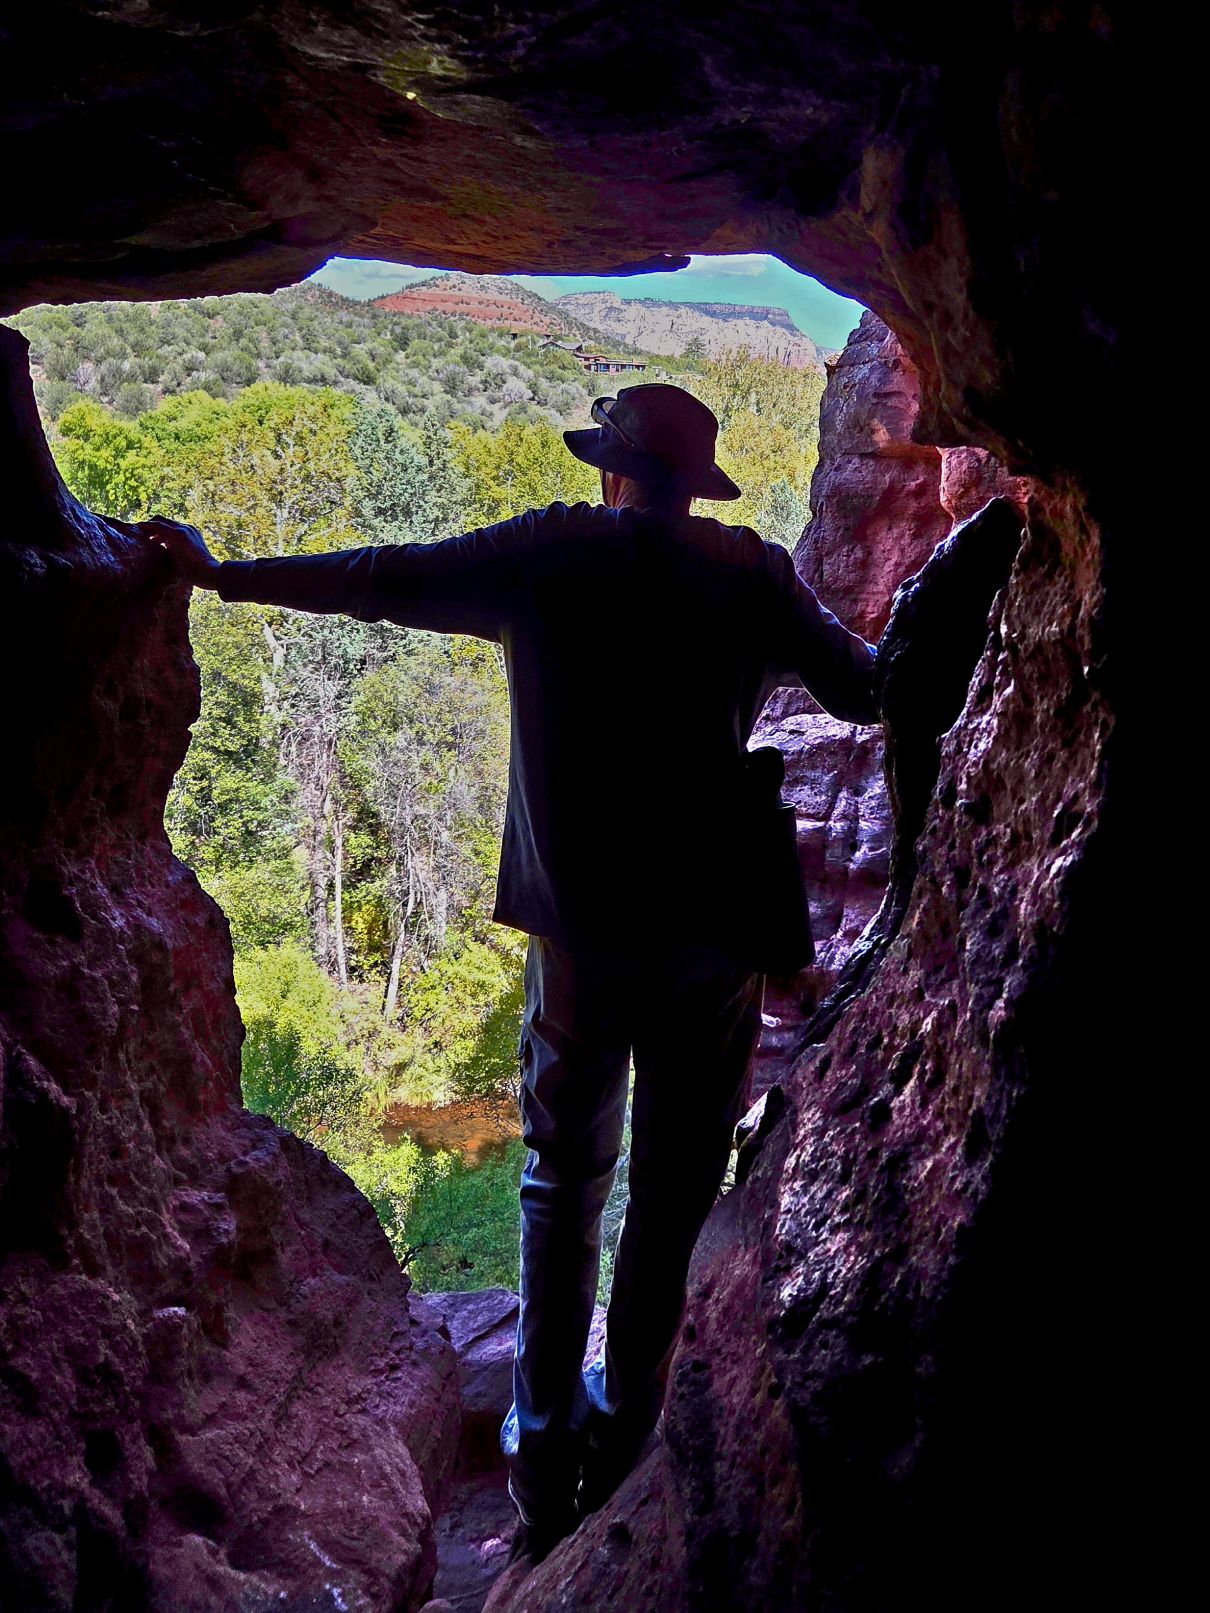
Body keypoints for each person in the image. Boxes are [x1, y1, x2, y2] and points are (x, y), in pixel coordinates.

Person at [142, 382, 878, 1569]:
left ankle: (542, 1485)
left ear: (611, 471)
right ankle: (632, 1439)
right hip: (711, 944)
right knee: (675, 1190)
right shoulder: (750, 574)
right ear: (695, 481)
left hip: (580, 935)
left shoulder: (550, 556)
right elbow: (866, 684)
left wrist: (224, 575)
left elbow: (383, 575)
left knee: (559, 1186)